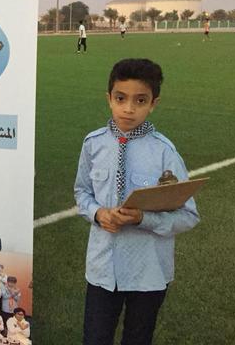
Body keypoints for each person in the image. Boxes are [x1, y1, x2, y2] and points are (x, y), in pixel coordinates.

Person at [74, 58, 200, 345]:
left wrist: (144, 218)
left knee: (138, 338)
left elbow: (189, 215)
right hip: (102, 269)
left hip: (148, 272)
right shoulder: (93, 144)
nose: (128, 108)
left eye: (140, 100)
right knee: (95, 338)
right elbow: (82, 193)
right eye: (121, 98)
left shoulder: (165, 152)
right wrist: (98, 214)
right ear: (109, 98)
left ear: (153, 103)